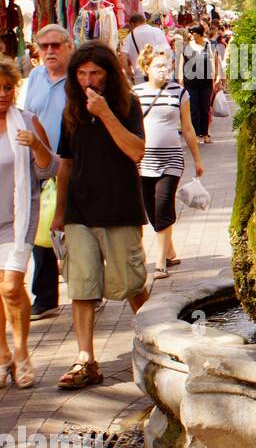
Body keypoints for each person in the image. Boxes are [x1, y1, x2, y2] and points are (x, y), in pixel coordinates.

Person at [50, 43, 150, 390]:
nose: (88, 80)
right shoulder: (71, 110)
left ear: (109, 73)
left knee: (132, 284)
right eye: (81, 73)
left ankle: (158, 344)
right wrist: (60, 211)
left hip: (119, 208)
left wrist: (106, 113)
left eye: (95, 72)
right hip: (80, 210)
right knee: (82, 286)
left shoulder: (127, 105)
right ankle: (85, 359)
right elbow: (66, 163)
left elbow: (137, 151)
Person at [0, 58, 58, 388]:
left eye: (8, 87)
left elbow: (49, 170)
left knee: (11, 287)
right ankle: (2, 353)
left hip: (18, 220)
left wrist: (36, 145)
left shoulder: (26, 121)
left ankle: (22, 353)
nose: (3, 93)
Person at [134, 44, 203, 278]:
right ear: (146, 67)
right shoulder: (136, 93)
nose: (164, 70)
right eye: (158, 66)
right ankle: (170, 249)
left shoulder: (180, 92)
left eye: (167, 66)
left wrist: (197, 159)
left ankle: (160, 262)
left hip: (171, 159)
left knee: (163, 207)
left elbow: (188, 127)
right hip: (144, 161)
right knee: (151, 210)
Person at [18, 24, 72, 320]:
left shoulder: (77, 77)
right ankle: (46, 296)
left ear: (67, 46)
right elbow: (27, 117)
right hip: (40, 165)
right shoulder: (35, 77)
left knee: (73, 228)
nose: (49, 51)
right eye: (44, 47)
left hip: (70, 163)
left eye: (55, 45)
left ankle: (87, 287)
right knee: (42, 230)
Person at [182, 25, 216, 144]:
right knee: (193, 109)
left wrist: (215, 78)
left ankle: (205, 134)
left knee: (205, 108)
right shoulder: (185, 47)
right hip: (190, 82)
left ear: (200, 33)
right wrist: (180, 82)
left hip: (205, 82)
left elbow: (212, 61)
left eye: (193, 32)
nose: (191, 34)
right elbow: (181, 63)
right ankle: (196, 134)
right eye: (190, 32)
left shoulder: (207, 46)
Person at [121, 12, 170, 83]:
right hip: (158, 74)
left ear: (132, 24)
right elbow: (167, 51)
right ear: (144, 21)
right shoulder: (157, 31)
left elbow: (122, 57)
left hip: (140, 77)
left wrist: (128, 72)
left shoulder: (129, 37)